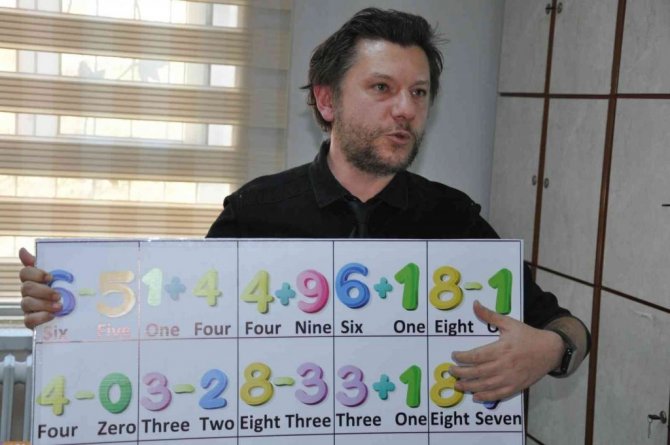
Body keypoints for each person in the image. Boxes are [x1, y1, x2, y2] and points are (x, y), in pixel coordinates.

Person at [19, 7, 589, 403]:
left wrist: (550, 349)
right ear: (326, 100)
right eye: (382, 88)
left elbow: (569, 328)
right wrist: (72, 307)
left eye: (419, 93)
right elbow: (176, 331)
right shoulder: (254, 211)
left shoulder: (455, 218)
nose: (406, 110)